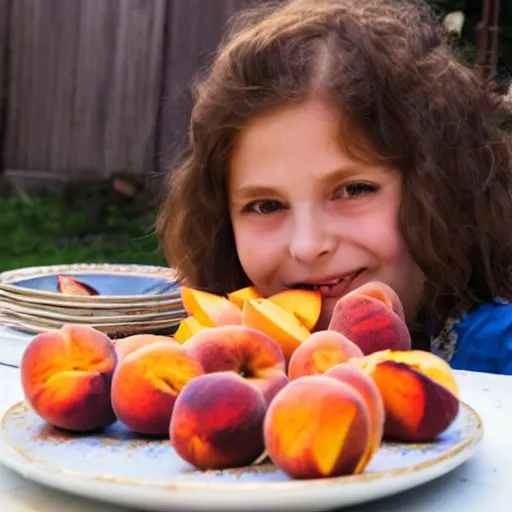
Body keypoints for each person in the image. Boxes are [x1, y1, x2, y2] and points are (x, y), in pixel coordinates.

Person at [156, 0, 512, 375]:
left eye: (354, 190)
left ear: (442, 190)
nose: (308, 246)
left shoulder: (500, 355)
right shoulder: (212, 354)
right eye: (265, 206)